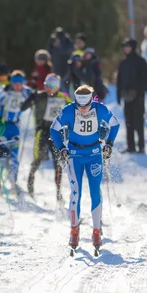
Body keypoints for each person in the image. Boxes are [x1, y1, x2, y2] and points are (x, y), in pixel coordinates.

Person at [50, 85, 120, 253]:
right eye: (80, 107)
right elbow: (54, 129)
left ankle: (96, 231)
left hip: (94, 153)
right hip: (74, 155)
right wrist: (61, 148)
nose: (83, 110)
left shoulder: (100, 109)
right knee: (75, 193)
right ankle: (74, 230)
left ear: (91, 100)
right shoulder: (69, 110)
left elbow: (115, 124)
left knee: (95, 191)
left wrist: (109, 143)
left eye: (86, 106)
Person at [21, 73, 71, 201]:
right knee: (38, 159)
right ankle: (30, 185)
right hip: (42, 132)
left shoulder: (63, 98)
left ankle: (59, 194)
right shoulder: (39, 96)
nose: (49, 88)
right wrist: (31, 97)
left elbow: (74, 111)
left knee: (58, 163)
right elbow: (23, 107)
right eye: (46, 85)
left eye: (52, 85)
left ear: (57, 86)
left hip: (57, 134)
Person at [0, 70, 31, 190]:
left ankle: (14, 182)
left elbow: (33, 97)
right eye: (15, 82)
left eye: (20, 82)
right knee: (3, 156)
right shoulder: (5, 91)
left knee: (14, 158)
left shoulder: (26, 92)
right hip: (3, 127)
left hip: (15, 128)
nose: (17, 85)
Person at [117, 38, 147, 153]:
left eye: (127, 46)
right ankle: (131, 146)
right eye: (124, 46)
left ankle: (141, 146)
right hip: (127, 96)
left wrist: (139, 91)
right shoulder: (123, 62)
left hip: (138, 96)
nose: (125, 48)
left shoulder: (140, 61)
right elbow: (120, 80)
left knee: (138, 121)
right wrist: (119, 95)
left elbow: (145, 79)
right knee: (128, 122)